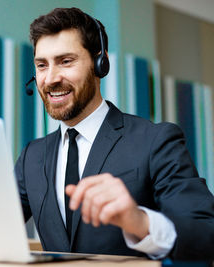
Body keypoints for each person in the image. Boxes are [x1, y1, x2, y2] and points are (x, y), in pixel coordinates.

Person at [14, 7, 214, 260]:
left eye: (66, 61)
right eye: (42, 65)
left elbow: (205, 233)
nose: (50, 78)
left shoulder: (156, 140)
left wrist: (139, 221)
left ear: (100, 63)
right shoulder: (32, 155)